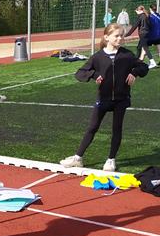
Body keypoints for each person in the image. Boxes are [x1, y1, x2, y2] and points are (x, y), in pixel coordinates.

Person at [60, 23, 148, 172]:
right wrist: (94, 75)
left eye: (122, 36)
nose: (120, 38)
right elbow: (80, 73)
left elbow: (143, 67)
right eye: (116, 36)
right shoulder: (97, 57)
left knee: (117, 129)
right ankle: (78, 158)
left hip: (121, 99)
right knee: (92, 127)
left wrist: (134, 72)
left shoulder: (127, 55)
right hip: (103, 99)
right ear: (106, 37)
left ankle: (111, 160)